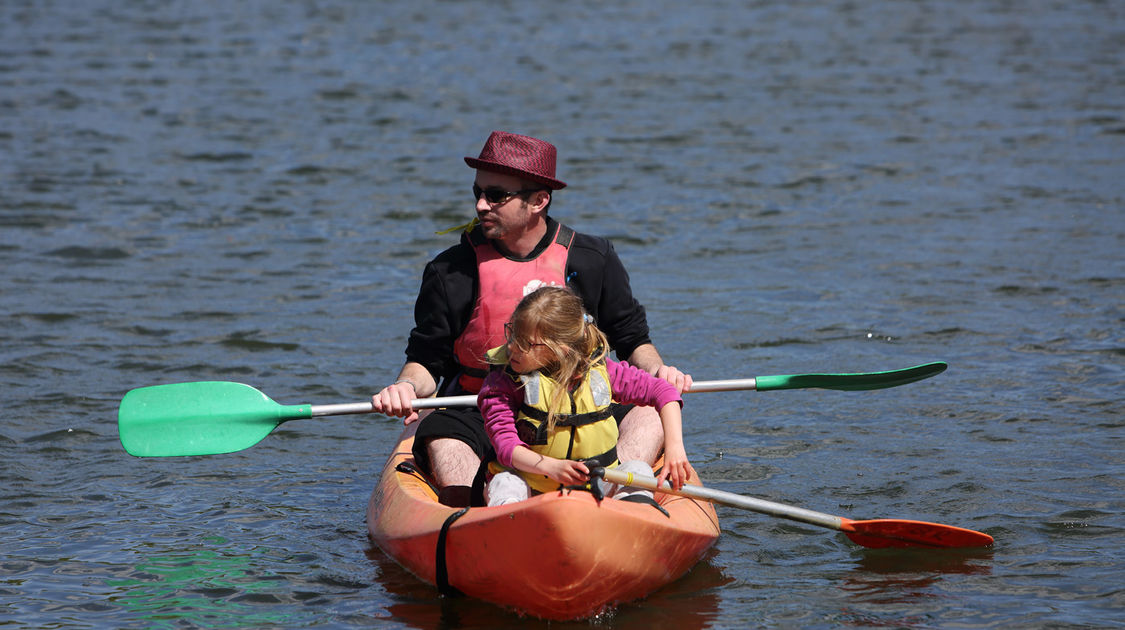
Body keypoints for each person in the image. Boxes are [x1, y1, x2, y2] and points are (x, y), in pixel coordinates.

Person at [372, 130, 692, 507]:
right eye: (477, 192)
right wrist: (405, 388)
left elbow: (633, 339)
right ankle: (474, 513)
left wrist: (659, 372)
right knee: (442, 437)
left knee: (650, 413)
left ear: (539, 200)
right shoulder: (450, 271)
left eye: (496, 196)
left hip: (579, 402)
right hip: (483, 404)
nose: (480, 205)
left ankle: (624, 495)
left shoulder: (593, 258)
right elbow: (427, 360)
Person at [479, 286, 693, 506]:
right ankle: (510, 526)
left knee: (638, 469)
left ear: (560, 349)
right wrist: (550, 467)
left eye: (526, 343)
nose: (512, 347)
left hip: (597, 483)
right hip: (533, 486)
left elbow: (664, 392)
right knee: (504, 482)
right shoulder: (502, 383)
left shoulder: (603, 372)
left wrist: (675, 449)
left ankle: (632, 521)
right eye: (512, 333)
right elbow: (506, 446)